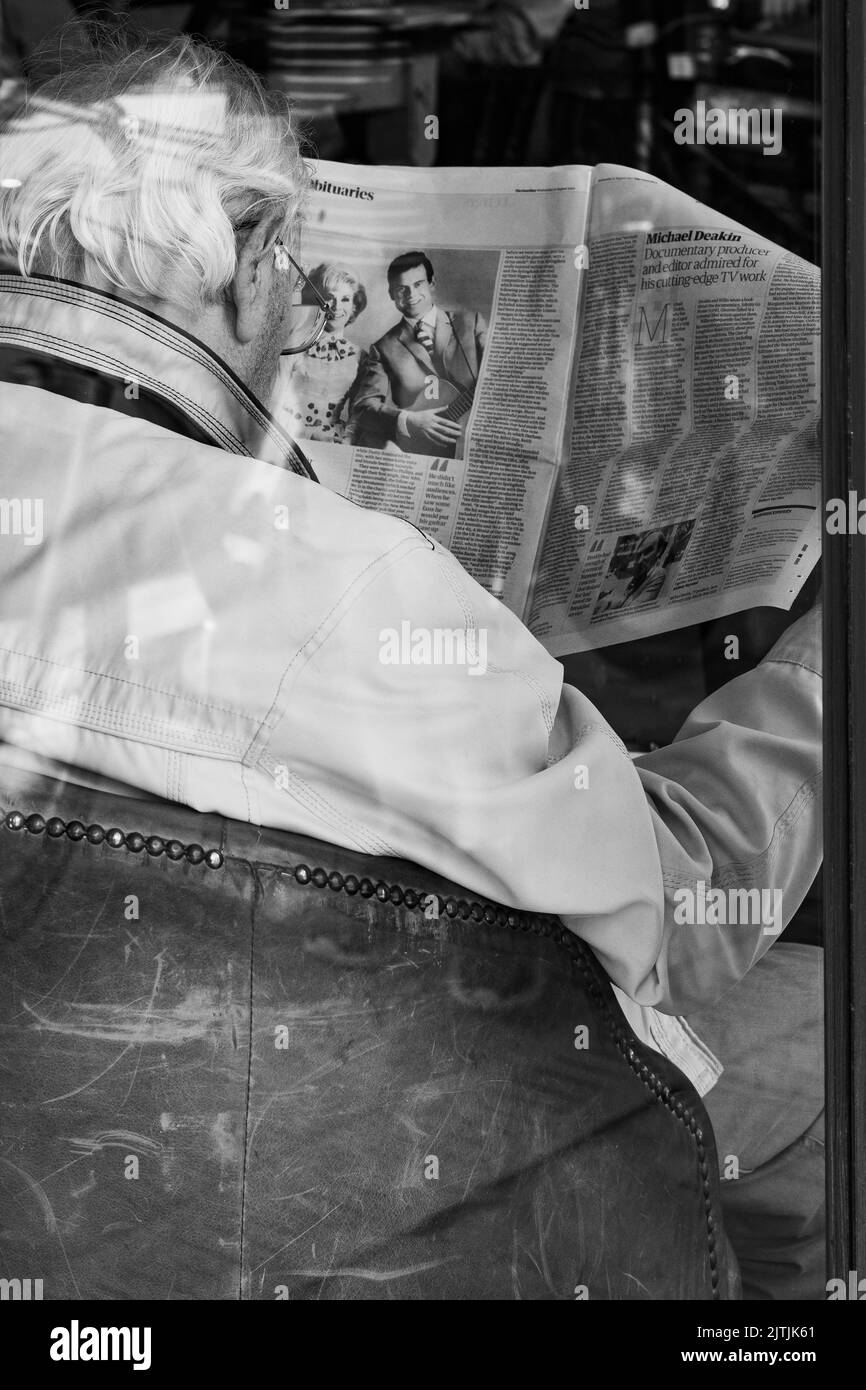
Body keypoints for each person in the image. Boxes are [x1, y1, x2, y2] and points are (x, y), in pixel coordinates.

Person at [0, 25, 823, 1298]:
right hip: (363, 1171)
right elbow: (674, 908)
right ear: (246, 250)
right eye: (291, 260)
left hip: (79, 1187)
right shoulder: (340, 581)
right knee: (825, 1043)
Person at [348, 251, 486, 456]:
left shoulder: (470, 322)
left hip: (477, 439)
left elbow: (499, 374)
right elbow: (363, 407)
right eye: (401, 289)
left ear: (432, 283)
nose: (411, 295)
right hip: (423, 451)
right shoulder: (383, 347)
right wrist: (409, 420)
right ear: (391, 294)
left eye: (418, 284)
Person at [274, 262, 366, 445]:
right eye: (330, 298)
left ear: (355, 307)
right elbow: (274, 400)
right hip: (288, 437)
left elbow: (359, 412)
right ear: (318, 301)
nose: (336, 306)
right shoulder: (295, 343)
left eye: (345, 299)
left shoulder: (361, 357)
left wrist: (347, 440)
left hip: (332, 443)